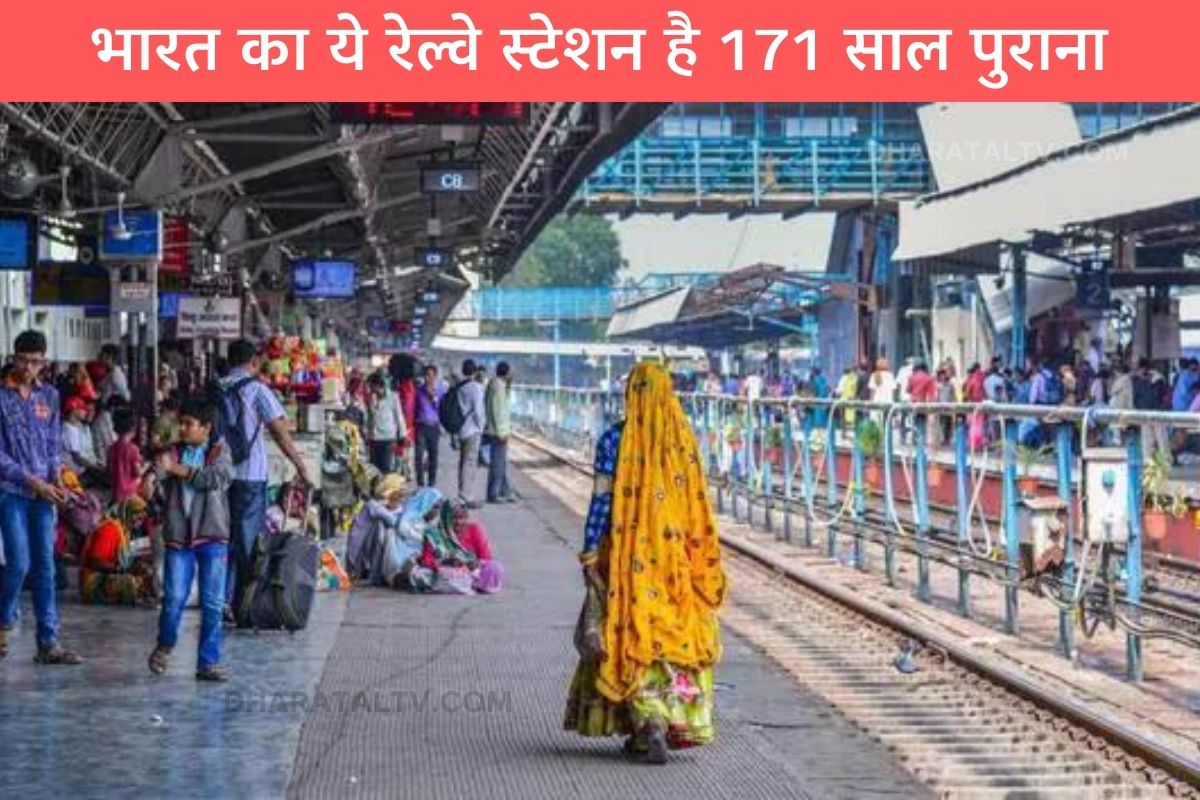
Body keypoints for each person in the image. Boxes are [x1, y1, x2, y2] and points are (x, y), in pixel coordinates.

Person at [564, 361, 726, 763]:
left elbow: (601, 501)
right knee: (670, 634)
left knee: (628, 633)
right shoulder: (683, 441)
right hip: (676, 562)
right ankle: (670, 716)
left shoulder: (612, 440)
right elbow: (699, 508)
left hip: (626, 560)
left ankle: (644, 721)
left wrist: (589, 551)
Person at [0, 330, 82, 664]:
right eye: (25, 360)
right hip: (12, 492)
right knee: (19, 563)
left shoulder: (48, 396)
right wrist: (34, 482)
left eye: (37, 362)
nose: (30, 367)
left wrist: (57, 480)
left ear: (44, 362)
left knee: (46, 568)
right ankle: (4, 620)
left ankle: (48, 642)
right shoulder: (1, 397)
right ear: (13, 358)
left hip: (45, 495)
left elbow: (52, 447)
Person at [216, 338, 311, 621]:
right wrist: (300, 465)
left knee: (221, 539)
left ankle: (220, 600)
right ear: (254, 362)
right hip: (249, 476)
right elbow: (280, 432)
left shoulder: (214, 389)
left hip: (216, 478)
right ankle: (244, 606)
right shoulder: (257, 390)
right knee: (248, 545)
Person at [148, 397, 233, 682]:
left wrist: (178, 470)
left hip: (212, 533)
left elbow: (217, 479)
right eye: (181, 423)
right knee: (173, 598)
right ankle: (165, 644)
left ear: (206, 428)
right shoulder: (172, 452)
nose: (183, 429)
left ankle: (207, 662)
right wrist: (151, 478)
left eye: (189, 424)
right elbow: (154, 480)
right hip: (179, 536)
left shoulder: (219, 452)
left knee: (212, 601)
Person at [78, 496, 158, 606]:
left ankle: (148, 595)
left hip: (110, 574)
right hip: (92, 581)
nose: (139, 522)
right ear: (127, 512)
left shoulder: (125, 530)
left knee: (147, 572)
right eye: (137, 516)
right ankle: (138, 595)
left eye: (141, 519)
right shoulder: (109, 528)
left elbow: (124, 560)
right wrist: (120, 569)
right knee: (129, 582)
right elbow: (94, 561)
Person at [420, 499, 504, 593]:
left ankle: (477, 585)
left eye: (462, 518)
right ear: (445, 518)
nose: (458, 522)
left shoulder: (474, 530)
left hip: (470, 571)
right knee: (420, 573)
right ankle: (469, 585)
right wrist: (447, 562)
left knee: (495, 567)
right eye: (454, 518)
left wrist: (474, 563)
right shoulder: (434, 534)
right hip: (446, 571)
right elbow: (426, 561)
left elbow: (486, 557)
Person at [456, 358, 486, 509]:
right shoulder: (476, 387)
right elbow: (478, 411)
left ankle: (462, 494)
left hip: (462, 430)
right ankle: (466, 497)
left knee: (463, 463)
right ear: (474, 371)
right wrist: (482, 427)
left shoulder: (460, 387)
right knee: (470, 464)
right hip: (473, 430)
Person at [484, 361, 515, 504]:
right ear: (506, 373)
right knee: (497, 464)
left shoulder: (497, 385)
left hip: (496, 430)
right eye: (510, 372)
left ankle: (505, 491)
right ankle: (493, 494)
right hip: (498, 432)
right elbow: (498, 411)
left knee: (501, 463)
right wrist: (501, 432)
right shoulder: (498, 388)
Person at [366, 372, 406, 475]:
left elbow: (399, 416)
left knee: (386, 467)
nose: (370, 389)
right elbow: (370, 417)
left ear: (378, 385)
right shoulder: (372, 398)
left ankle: (385, 490)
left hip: (388, 438)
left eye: (372, 386)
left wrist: (402, 435)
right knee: (374, 468)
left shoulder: (393, 397)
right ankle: (376, 490)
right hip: (374, 438)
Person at [413, 364, 445, 488]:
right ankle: (420, 484)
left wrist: (434, 398)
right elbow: (415, 409)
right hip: (421, 426)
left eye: (430, 376)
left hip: (434, 426)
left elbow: (442, 409)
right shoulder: (419, 391)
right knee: (419, 457)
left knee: (433, 457)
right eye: (426, 375)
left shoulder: (441, 391)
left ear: (435, 377)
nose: (428, 378)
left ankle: (431, 484)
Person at [62, 395, 104, 481]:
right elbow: (77, 458)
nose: (85, 412)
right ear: (74, 410)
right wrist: (96, 467)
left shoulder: (75, 428)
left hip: (81, 471)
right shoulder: (68, 429)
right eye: (82, 409)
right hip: (75, 474)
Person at [108, 406, 143, 504]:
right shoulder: (133, 449)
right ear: (133, 428)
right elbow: (138, 472)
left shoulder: (111, 448)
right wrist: (145, 467)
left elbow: (109, 471)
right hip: (130, 494)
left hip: (115, 494)